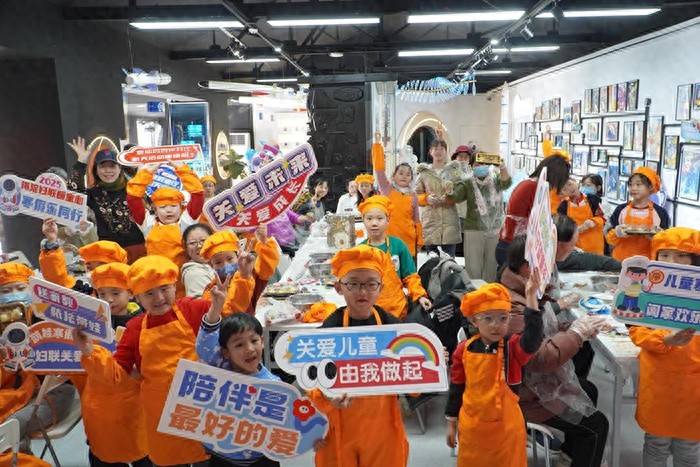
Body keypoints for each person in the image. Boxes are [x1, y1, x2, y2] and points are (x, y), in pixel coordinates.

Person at [73, 254, 254, 466]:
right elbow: (117, 375)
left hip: (202, 405)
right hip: (161, 415)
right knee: (170, 460)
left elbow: (229, 312)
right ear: (137, 297)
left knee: (207, 459)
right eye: (149, 293)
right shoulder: (135, 328)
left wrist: (244, 277)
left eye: (164, 289)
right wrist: (89, 350)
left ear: (174, 286)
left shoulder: (191, 309)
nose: (159, 298)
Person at [500, 236, 610, 467]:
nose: (551, 269)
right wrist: (576, 334)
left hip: (533, 383)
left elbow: (541, 332)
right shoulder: (514, 306)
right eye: (547, 262)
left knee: (589, 389)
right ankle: (579, 454)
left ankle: (570, 455)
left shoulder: (523, 290)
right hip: (524, 395)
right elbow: (540, 359)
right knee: (597, 426)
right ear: (528, 268)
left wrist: (571, 328)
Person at [309, 245, 409, 467]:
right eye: (353, 284)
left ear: (381, 288)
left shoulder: (394, 328)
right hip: (339, 424)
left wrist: (430, 364)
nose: (362, 292)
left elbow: (413, 382)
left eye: (370, 284)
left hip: (383, 427)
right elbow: (312, 381)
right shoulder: (328, 331)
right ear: (338, 287)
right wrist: (328, 398)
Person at [445, 282, 544, 467]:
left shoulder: (512, 348)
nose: (495, 325)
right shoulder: (463, 350)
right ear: (474, 321)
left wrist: (531, 300)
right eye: (488, 318)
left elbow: (532, 340)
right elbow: (456, 387)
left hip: (506, 430)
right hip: (472, 429)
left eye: (502, 318)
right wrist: (451, 422)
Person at [629, 227, 700, 467]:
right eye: (665, 255)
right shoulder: (645, 289)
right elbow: (636, 330)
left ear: (694, 258)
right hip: (658, 380)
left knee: (689, 446)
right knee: (656, 443)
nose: (672, 262)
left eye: (681, 255)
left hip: (694, 385)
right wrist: (665, 340)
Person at [73, 263, 150, 467]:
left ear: (131, 293)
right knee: (104, 452)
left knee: (142, 450)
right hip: (98, 402)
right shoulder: (89, 325)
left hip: (134, 403)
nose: (108, 299)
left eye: (116, 293)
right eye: (102, 293)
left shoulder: (142, 323)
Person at [0, 263, 77, 454]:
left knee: (11, 427)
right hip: (10, 392)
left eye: (21, 288)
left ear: (32, 289)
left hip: (52, 391)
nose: (14, 295)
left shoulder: (47, 318)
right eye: (6, 291)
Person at [196, 311, 280, 467]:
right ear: (225, 352)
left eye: (254, 340)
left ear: (262, 341)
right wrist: (215, 308)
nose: (249, 349)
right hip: (221, 457)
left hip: (260, 460)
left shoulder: (274, 384)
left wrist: (310, 439)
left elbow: (287, 426)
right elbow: (205, 347)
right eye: (239, 344)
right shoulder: (221, 370)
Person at [67, 138, 146, 263]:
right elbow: (75, 194)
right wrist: (81, 162)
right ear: (96, 170)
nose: (108, 170)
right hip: (109, 253)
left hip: (137, 249)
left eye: (112, 166)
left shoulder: (132, 188)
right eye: (103, 167)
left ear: (119, 168)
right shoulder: (94, 194)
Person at [126, 162, 204, 283]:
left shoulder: (186, 222)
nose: (169, 211)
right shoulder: (147, 224)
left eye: (173, 206)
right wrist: (147, 173)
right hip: (156, 282)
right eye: (162, 207)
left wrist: (181, 169)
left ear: (181, 207)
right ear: (155, 210)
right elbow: (133, 198)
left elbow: (198, 194)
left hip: (183, 283)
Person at [358, 195, 431, 320]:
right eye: (369, 218)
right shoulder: (360, 250)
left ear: (388, 219)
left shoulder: (398, 245)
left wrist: (420, 296)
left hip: (398, 310)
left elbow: (410, 276)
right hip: (370, 312)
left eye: (379, 218)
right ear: (363, 220)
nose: (374, 223)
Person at [496, 154, 571, 268]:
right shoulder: (534, 187)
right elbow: (540, 221)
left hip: (512, 244)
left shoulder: (532, 184)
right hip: (514, 247)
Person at [450, 155, 512, 282]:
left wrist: (502, 166)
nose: (480, 167)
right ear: (471, 166)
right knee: (473, 268)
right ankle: (474, 292)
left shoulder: (496, 179)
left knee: (491, 266)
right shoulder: (467, 182)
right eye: (477, 164)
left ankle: (488, 291)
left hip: (495, 230)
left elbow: (507, 183)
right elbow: (455, 196)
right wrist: (450, 183)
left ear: (488, 165)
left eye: (483, 164)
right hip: (474, 230)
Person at [198, 227, 278, 315]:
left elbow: (266, 267)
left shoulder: (250, 274)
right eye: (218, 262)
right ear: (211, 265)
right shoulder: (212, 291)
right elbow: (228, 313)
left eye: (229, 258)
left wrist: (264, 241)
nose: (225, 265)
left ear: (237, 256)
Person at [39, 218, 128, 293]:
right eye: (88, 262)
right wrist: (52, 242)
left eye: (102, 264)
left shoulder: (127, 289)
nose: (110, 299)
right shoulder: (83, 288)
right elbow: (57, 280)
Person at [372, 135, 422, 257]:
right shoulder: (387, 190)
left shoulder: (413, 196)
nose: (404, 176)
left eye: (408, 174)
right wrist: (377, 146)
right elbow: (379, 170)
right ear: (394, 176)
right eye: (401, 173)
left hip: (409, 242)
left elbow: (416, 220)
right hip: (390, 241)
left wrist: (420, 240)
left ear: (411, 178)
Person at [606, 167, 670, 261]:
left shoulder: (660, 213)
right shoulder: (621, 210)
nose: (633, 188)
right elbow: (609, 238)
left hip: (648, 262)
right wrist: (616, 233)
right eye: (631, 185)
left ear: (651, 187)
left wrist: (658, 236)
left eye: (638, 184)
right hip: (621, 261)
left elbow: (666, 243)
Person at [415, 139, 465, 258]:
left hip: (450, 222)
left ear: (446, 151)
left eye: (442, 148)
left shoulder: (454, 171)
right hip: (430, 222)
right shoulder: (424, 173)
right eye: (435, 148)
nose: (438, 151)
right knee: (432, 262)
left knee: (449, 261)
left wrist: (450, 197)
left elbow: (462, 193)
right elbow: (415, 196)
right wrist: (426, 199)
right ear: (430, 151)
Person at [558, 178, 606, 255]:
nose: (570, 189)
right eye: (565, 189)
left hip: (596, 246)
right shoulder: (563, 207)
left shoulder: (593, 199)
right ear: (562, 193)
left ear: (575, 181)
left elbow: (603, 219)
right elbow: (563, 228)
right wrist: (573, 229)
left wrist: (593, 222)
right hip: (578, 249)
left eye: (570, 184)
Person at [181, 223, 215, 298]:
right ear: (186, 247)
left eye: (203, 240)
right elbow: (202, 303)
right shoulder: (194, 273)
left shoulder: (215, 264)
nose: (199, 246)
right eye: (192, 243)